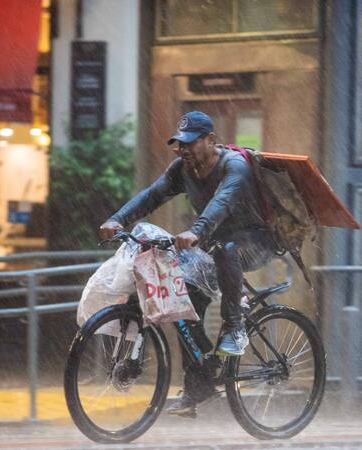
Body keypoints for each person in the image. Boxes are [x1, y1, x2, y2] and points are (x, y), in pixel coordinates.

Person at [99, 111, 277, 417]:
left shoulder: (234, 166)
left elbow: (222, 203)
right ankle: (201, 383)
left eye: (191, 143)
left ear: (211, 140)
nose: (184, 149)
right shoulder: (183, 169)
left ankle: (234, 328)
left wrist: (196, 231)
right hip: (211, 241)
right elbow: (151, 196)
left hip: (257, 240)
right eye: (180, 144)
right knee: (184, 301)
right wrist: (118, 218)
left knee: (227, 250)